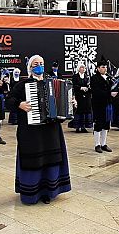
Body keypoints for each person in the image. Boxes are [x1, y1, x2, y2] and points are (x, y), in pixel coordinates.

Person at [6, 55, 71, 204]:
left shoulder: (53, 82)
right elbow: (8, 100)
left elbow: (61, 107)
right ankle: (32, 193)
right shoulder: (23, 85)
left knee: (50, 159)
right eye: (36, 64)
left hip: (50, 130)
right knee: (34, 160)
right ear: (30, 67)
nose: (39, 66)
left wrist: (69, 104)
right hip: (31, 131)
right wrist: (19, 104)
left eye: (41, 63)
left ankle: (49, 191)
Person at [90, 58, 115, 153]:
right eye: (103, 67)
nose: (105, 69)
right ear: (98, 68)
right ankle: (97, 144)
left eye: (106, 67)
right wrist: (109, 93)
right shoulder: (94, 78)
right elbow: (96, 92)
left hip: (107, 104)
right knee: (98, 124)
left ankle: (104, 144)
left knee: (106, 124)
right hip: (98, 105)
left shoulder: (108, 78)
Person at [68, 63, 93, 133]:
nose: (83, 69)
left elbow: (89, 85)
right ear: (79, 68)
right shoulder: (75, 76)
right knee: (79, 111)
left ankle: (84, 127)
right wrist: (80, 88)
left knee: (86, 111)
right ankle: (77, 127)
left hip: (86, 97)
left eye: (84, 67)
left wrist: (87, 88)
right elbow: (74, 85)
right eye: (81, 67)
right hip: (78, 96)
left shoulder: (87, 77)